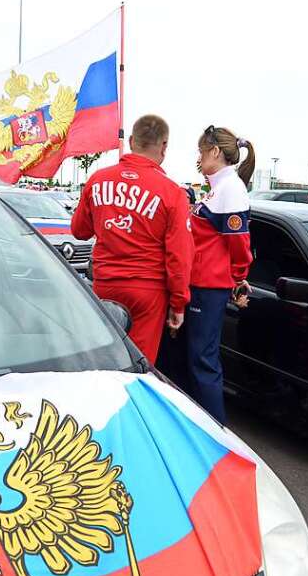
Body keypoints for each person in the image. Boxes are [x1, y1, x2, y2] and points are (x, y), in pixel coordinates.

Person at [71, 114, 193, 362]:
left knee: (104, 358)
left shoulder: (98, 180)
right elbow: (179, 255)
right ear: (164, 145)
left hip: (105, 284)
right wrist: (179, 303)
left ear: (131, 141)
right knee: (138, 364)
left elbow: (79, 230)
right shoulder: (173, 193)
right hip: (147, 292)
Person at [167, 125, 254, 424]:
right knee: (187, 359)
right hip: (199, 283)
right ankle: (191, 423)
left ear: (215, 151)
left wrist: (238, 276)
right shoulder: (220, 187)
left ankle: (215, 432)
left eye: (201, 152)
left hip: (208, 286)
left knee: (202, 362)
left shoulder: (231, 188)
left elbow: (240, 243)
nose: (199, 158)